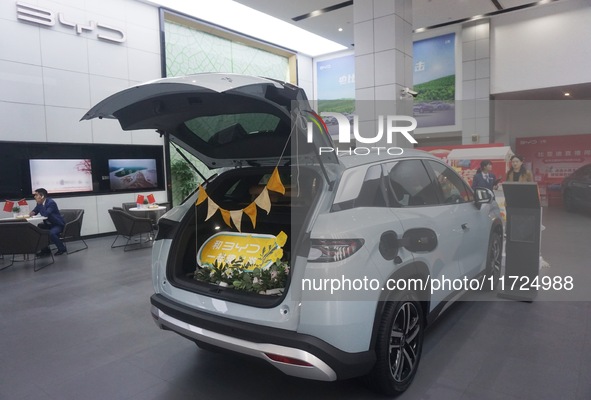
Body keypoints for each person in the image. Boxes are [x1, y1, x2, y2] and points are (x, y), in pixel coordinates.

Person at [30, 188, 67, 256]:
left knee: (51, 233)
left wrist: (40, 204)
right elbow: (34, 211)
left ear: (42, 196)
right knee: (38, 230)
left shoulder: (51, 203)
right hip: (48, 224)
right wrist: (30, 213)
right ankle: (45, 250)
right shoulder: (39, 203)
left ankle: (62, 248)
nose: (34, 197)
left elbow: (46, 214)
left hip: (57, 224)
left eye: (36, 195)